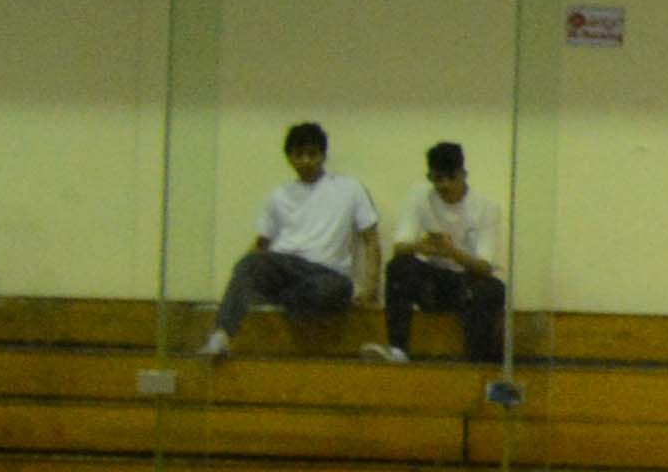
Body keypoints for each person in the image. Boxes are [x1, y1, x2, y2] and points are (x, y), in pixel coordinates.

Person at [198, 121, 378, 359]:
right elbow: (261, 244)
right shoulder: (279, 195)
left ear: (323, 156)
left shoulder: (350, 189)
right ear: (289, 158)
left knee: (335, 289)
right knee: (249, 264)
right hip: (286, 265)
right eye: (299, 154)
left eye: (312, 154)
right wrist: (242, 272)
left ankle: (277, 300)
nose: (306, 160)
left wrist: (371, 288)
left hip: (327, 274)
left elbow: (371, 240)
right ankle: (220, 337)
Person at [375, 138, 505, 367]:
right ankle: (397, 349)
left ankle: (475, 361)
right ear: (430, 177)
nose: (444, 185)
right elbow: (399, 247)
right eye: (438, 179)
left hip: (467, 283)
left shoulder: (486, 208)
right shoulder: (418, 197)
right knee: (399, 267)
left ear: (463, 175)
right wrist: (420, 246)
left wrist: (451, 252)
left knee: (492, 289)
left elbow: (484, 267)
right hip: (433, 282)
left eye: (451, 177)